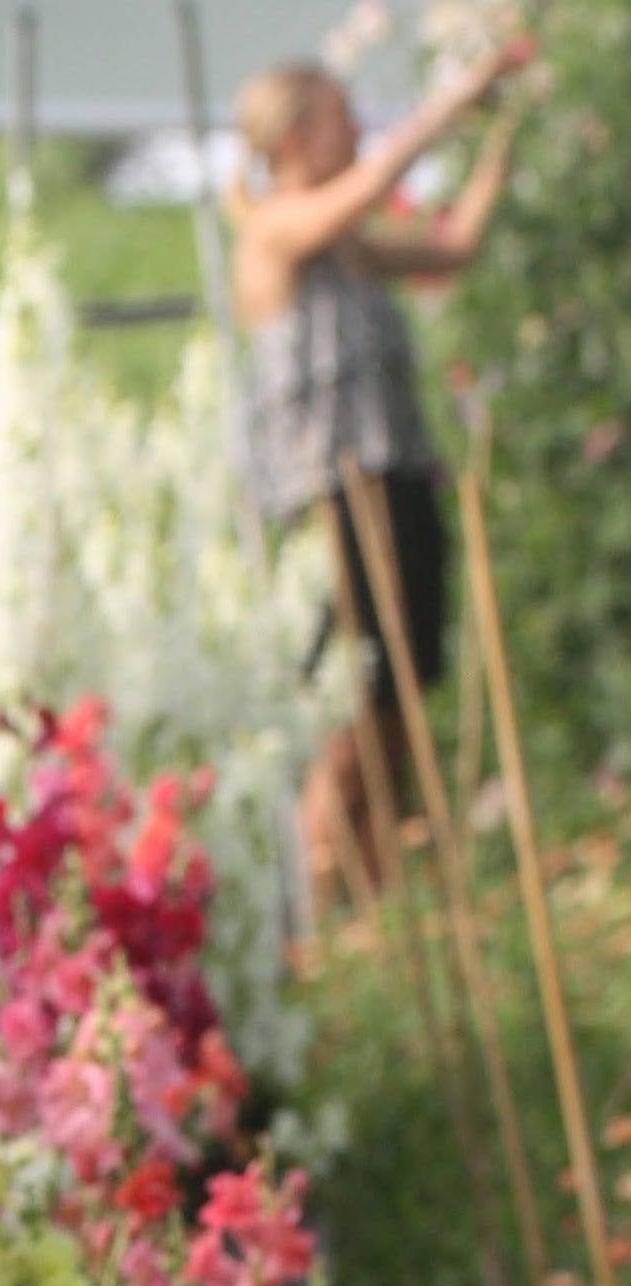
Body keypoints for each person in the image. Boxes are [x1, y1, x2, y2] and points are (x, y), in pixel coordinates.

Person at [230, 39, 533, 897]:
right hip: (330, 497)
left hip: (395, 478)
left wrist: (505, 137)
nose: (360, 129)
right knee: (349, 705)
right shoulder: (275, 232)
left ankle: (372, 891)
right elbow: (365, 189)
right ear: (292, 139)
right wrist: (458, 98)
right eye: (341, 116)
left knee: (401, 695)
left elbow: (456, 244)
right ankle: (320, 895)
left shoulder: (354, 248)